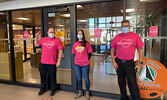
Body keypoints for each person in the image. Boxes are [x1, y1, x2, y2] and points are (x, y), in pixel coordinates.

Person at [110, 20, 144, 100]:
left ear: (129, 27)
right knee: (121, 83)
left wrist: (140, 63)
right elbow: (112, 49)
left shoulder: (135, 36)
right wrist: (113, 61)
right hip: (119, 63)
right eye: (123, 26)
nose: (125, 28)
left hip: (129, 63)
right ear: (121, 27)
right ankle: (124, 98)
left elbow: (140, 50)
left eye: (127, 26)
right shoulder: (117, 37)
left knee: (132, 83)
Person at [34, 28, 63, 96]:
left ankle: (53, 89)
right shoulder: (43, 39)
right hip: (43, 62)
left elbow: (61, 51)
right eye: (50, 32)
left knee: (53, 77)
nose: (51, 33)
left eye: (53, 32)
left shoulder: (57, 41)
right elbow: (36, 45)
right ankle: (43, 88)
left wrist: (58, 61)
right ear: (47, 32)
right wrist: (36, 37)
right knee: (43, 77)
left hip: (52, 63)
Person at [72, 30, 93, 100]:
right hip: (77, 64)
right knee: (79, 79)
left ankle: (87, 93)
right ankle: (80, 92)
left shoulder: (87, 43)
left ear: (83, 35)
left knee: (86, 79)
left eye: (81, 34)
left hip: (85, 65)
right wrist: (79, 58)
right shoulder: (75, 44)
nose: (79, 35)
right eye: (78, 33)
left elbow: (90, 53)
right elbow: (74, 53)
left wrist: (85, 59)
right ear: (77, 35)